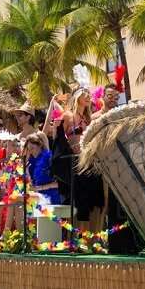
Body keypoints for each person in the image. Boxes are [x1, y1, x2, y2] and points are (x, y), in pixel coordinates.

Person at [63, 87, 105, 231]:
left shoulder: (88, 118)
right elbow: (57, 137)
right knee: (81, 202)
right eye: (84, 94)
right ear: (77, 97)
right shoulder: (68, 116)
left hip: (90, 161)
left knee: (94, 201)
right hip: (75, 163)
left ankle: (92, 237)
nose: (88, 97)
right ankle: (79, 237)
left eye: (89, 95)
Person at [25, 134, 61, 205]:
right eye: (29, 150)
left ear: (40, 145)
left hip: (51, 197)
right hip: (38, 197)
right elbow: (32, 184)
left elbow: (59, 183)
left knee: (19, 199)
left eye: (32, 148)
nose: (31, 151)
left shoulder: (49, 157)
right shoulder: (31, 163)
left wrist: (39, 188)